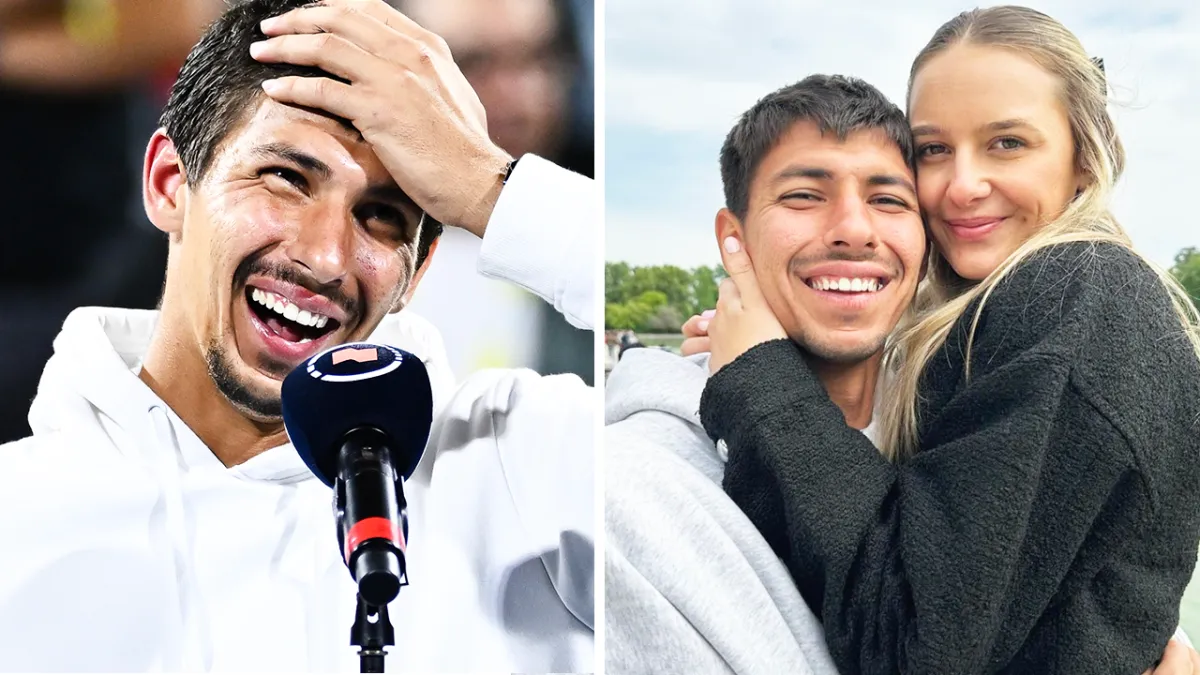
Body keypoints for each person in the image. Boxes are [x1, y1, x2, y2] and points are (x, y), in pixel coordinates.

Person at [0, 0, 594, 671]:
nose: (327, 258)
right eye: (285, 178)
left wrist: (491, 189)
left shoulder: (521, 467)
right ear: (170, 183)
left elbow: (710, 387)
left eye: (382, 216)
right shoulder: (16, 520)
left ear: (417, 271)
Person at [606, 74, 1198, 675]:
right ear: (734, 239)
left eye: (889, 201)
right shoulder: (628, 494)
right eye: (804, 196)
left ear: (927, 240)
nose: (854, 229)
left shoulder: (971, 419)